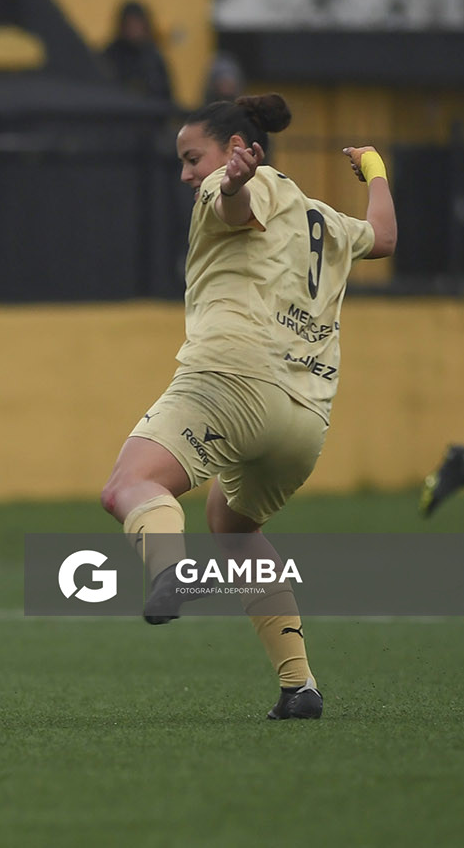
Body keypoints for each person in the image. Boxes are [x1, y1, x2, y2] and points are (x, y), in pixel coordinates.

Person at [99, 93, 398, 720]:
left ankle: (170, 570)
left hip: (234, 377)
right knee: (234, 527)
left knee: (130, 484)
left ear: (235, 149)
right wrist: (374, 169)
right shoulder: (324, 220)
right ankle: (300, 686)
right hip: (305, 419)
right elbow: (386, 238)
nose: (186, 173)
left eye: (191, 158)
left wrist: (233, 181)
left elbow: (237, 211)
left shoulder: (237, 184)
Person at [102, 0, 174, 104]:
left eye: (137, 23)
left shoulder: (153, 57)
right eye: (129, 24)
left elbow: (165, 94)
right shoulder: (110, 56)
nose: (134, 28)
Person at [420, 444, 464, 516]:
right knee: (439, 491)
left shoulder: (461, 455)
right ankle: (429, 506)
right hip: (449, 479)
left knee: (439, 491)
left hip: (451, 479)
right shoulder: (461, 457)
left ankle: (429, 506)